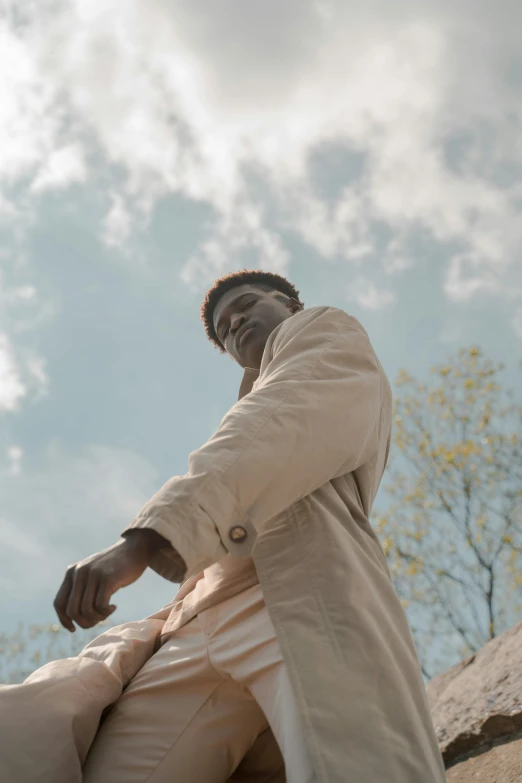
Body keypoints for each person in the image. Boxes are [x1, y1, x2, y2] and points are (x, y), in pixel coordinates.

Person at [0, 269, 447, 783]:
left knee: (355, 766)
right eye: (224, 327)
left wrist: (147, 539)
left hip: (294, 599)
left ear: (289, 304)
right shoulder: (248, 405)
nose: (234, 322)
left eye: (247, 304)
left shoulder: (325, 333)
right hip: (191, 629)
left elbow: (286, 415)